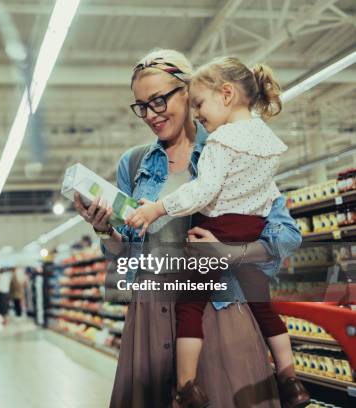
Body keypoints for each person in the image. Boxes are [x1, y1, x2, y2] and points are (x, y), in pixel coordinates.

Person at [73, 48, 302, 408]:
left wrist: (230, 254)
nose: (150, 114)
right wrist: (105, 232)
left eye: (159, 100)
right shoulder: (133, 164)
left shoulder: (232, 149)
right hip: (151, 318)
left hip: (220, 313)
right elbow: (126, 258)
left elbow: (287, 236)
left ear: (189, 90)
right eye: (141, 106)